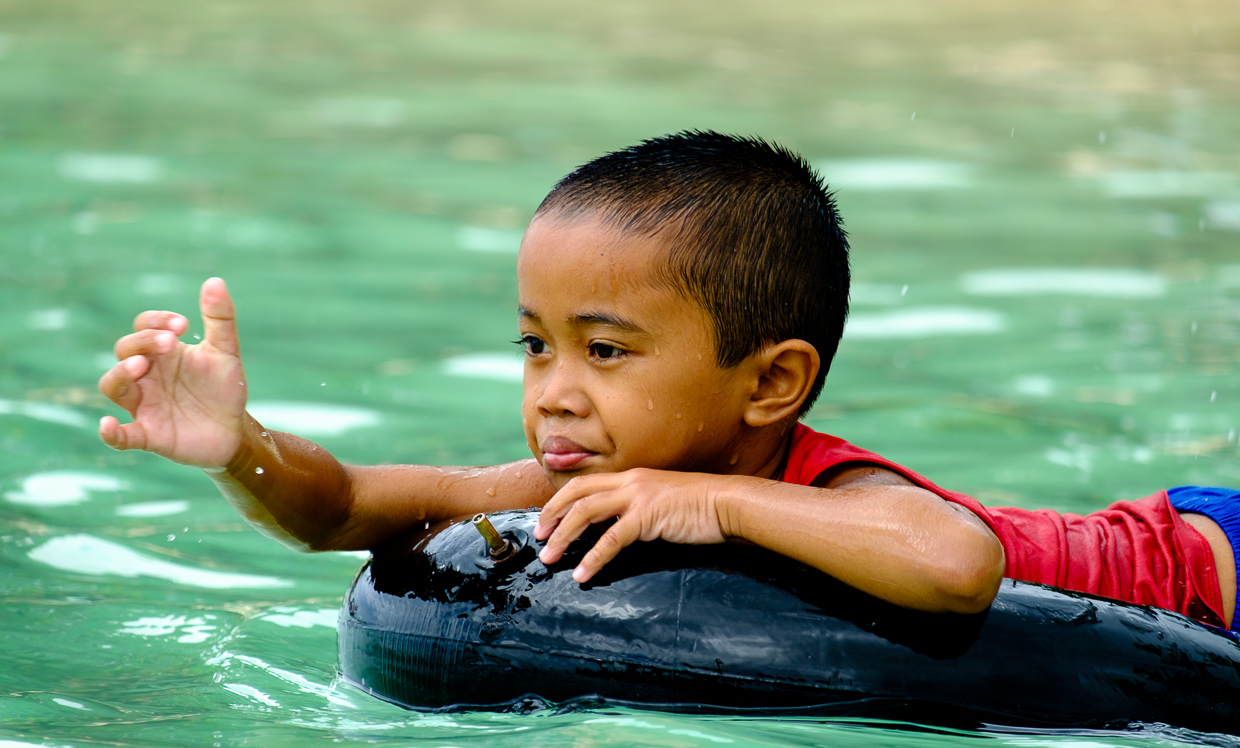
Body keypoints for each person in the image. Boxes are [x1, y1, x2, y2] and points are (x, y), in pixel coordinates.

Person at [97, 130, 1238, 631]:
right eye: (533, 344)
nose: (552, 389)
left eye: (604, 350)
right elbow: (344, 506)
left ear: (772, 382)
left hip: (1207, 566)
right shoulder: (569, 479)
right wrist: (236, 442)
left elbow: (960, 561)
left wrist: (712, 501)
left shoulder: (828, 487)